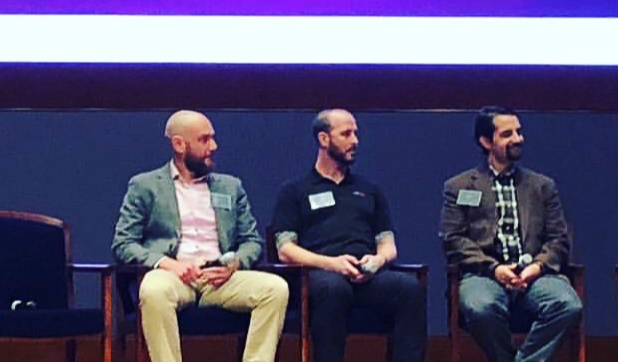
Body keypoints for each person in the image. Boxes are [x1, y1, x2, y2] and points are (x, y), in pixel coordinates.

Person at [112, 110, 288, 362]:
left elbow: (252, 241)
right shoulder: (145, 185)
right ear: (179, 145)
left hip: (220, 277)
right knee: (153, 289)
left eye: (213, 138)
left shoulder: (230, 186)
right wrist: (169, 264)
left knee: (275, 289)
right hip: (174, 275)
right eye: (204, 139)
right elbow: (124, 244)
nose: (213, 146)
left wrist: (234, 263)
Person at [272, 109, 427, 362]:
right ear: (324, 139)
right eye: (346, 134)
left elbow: (388, 244)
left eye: (356, 133)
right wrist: (332, 264)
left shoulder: (369, 190)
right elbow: (286, 250)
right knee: (333, 289)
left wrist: (377, 261)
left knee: (410, 289)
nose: (355, 141)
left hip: (366, 274)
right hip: (320, 274)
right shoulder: (294, 190)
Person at [439, 106, 582, 362]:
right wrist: (495, 269)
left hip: (535, 275)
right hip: (484, 274)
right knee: (480, 307)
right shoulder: (459, 187)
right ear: (486, 142)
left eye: (518, 132)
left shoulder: (542, 186)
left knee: (568, 305)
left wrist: (537, 267)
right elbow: (453, 239)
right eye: (507, 134)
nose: (518, 139)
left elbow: (559, 237)